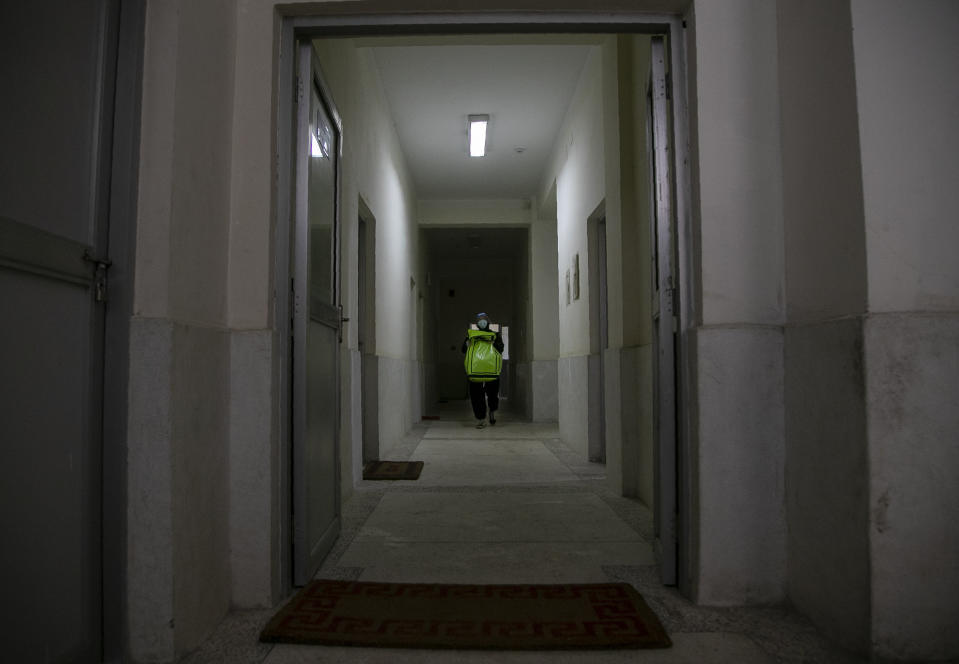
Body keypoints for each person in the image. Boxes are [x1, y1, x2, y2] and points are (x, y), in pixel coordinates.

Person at [461, 312, 504, 428]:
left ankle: (492, 412)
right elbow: (463, 350)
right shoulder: (471, 335)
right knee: (476, 396)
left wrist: (494, 343)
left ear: (487, 322)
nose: (482, 322)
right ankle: (480, 419)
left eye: (484, 320)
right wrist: (466, 344)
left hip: (491, 370)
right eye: (479, 320)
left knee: (493, 394)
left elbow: (501, 349)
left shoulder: (495, 335)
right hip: (476, 371)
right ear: (477, 323)